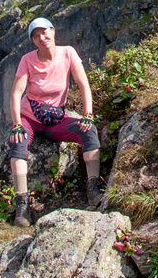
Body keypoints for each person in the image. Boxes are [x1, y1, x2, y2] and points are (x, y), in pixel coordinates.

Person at [7, 18, 103, 226]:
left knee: (89, 132)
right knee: (18, 142)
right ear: (33, 40)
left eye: (45, 32)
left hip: (55, 120)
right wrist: (16, 124)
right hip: (29, 118)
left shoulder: (68, 53)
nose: (42, 38)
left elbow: (83, 85)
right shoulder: (27, 60)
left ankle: (93, 188)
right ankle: (22, 206)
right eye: (36, 35)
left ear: (53, 31)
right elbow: (16, 93)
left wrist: (88, 114)